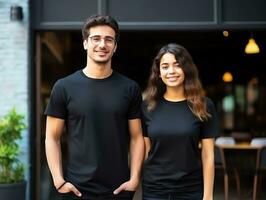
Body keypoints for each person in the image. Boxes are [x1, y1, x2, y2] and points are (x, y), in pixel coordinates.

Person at [45, 14, 144, 200]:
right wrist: (59, 180)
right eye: (95, 38)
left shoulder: (130, 88)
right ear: (85, 43)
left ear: (115, 47)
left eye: (109, 39)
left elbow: (137, 138)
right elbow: (52, 137)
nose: (102, 45)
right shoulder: (64, 87)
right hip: (76, 189)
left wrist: (134, 179)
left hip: (119, 189)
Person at [141, 43, 219, 200]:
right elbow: (144, 151)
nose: (171, 71)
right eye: (165, 66)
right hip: (154, 190)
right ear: (159, 73)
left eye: (177, 65)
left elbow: (208, 155)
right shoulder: (147, 107)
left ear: (187, 68)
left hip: (191, 189)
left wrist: (208, 195)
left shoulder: (203, 105)